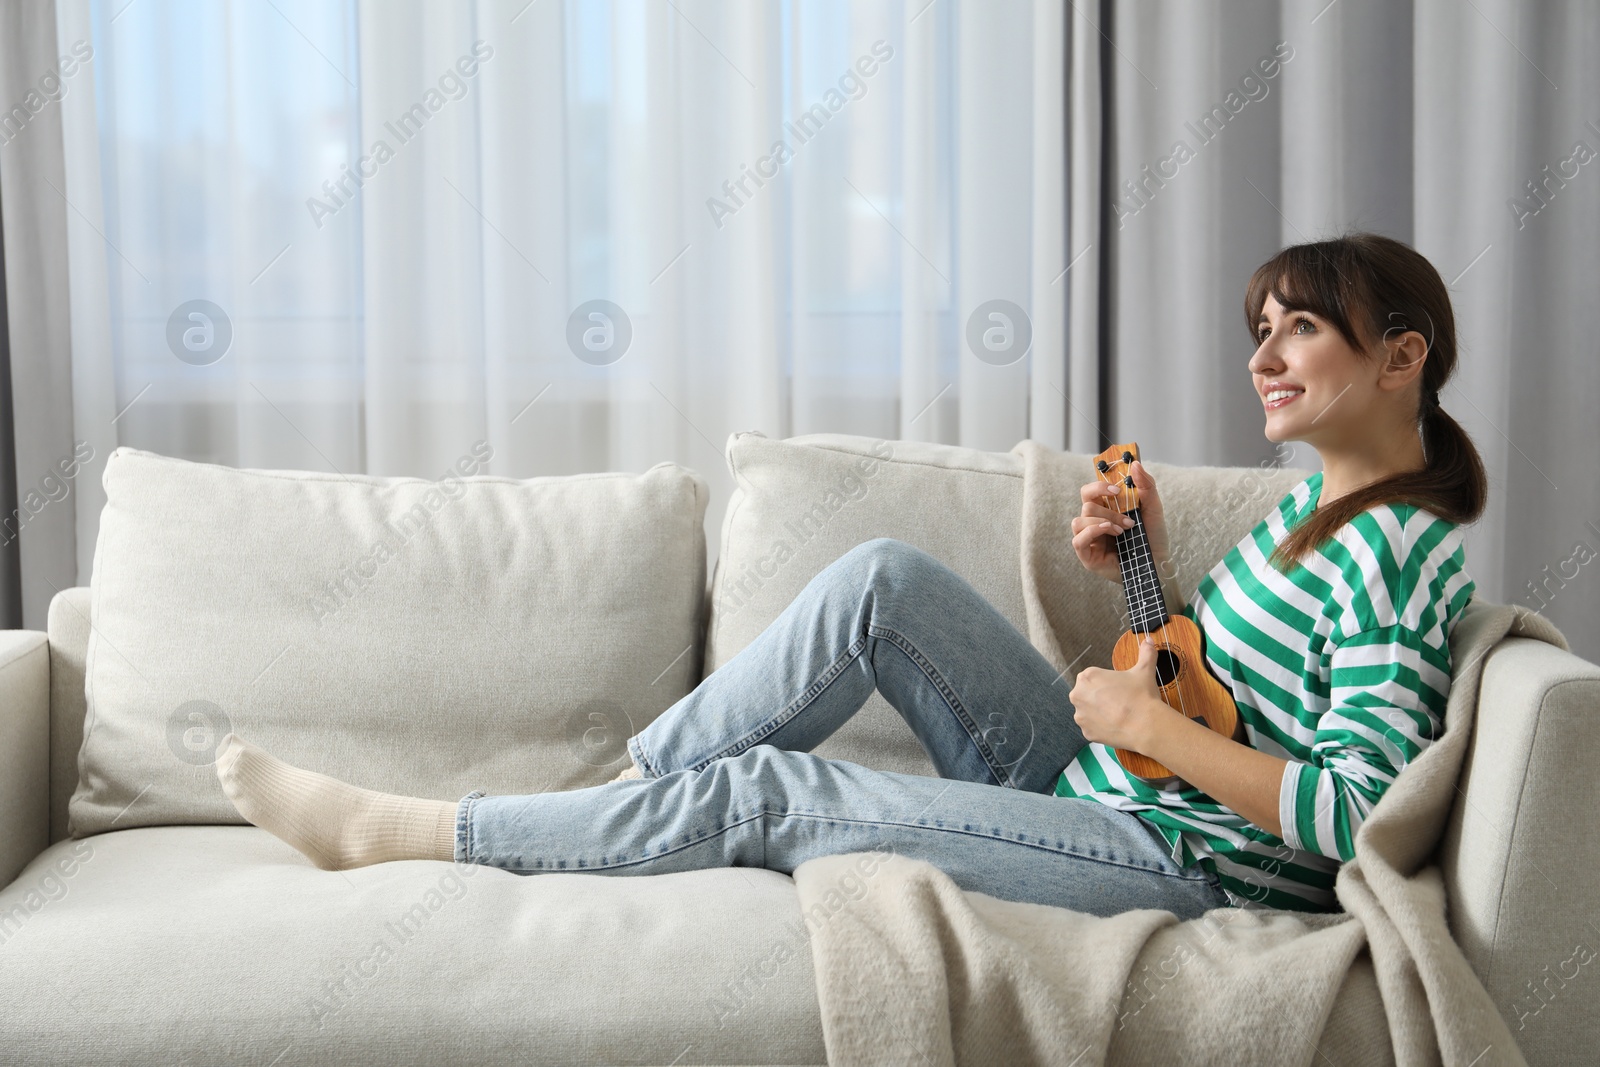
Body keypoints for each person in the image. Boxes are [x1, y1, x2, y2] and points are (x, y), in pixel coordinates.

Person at [216, 231, 1485, 920]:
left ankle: (421, 832)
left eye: (1300, 325)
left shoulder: (1395, 547)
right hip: (1112, 784)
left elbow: (1351, 811)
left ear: (1399, 358)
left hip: (1176, 860)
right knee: (880, 577)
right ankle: (621, 806)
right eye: (1259, 329)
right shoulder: (1310, 511)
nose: (1265, 353)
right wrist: (1137, 571)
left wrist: (1146, 720)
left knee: (771, 791)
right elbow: (1227, 695)